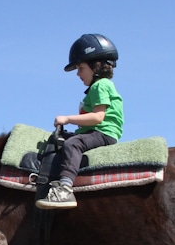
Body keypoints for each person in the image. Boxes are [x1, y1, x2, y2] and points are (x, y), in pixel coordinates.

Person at [36, 33, 124, 210]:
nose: (78, 74)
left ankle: (65, 189)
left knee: (72, 144)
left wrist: (67, 119)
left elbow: (98, 117)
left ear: (96, 66)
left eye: (81, 68)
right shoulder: (96, 88)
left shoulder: (101, 85)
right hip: (94, 131)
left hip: (103, 132)